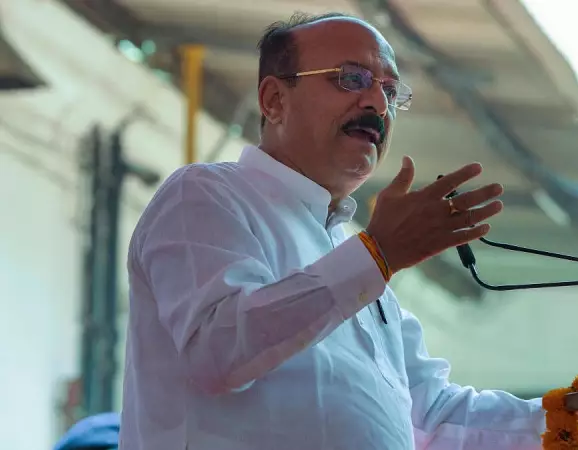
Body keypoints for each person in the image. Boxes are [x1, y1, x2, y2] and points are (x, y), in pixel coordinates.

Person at [119, 11, 545, 450]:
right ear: (274, 100)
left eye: (390, 90)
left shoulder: (357, 265)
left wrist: (575, 416)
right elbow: (217, 352)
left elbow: (433, 416)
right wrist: (377, 255)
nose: (378, 105)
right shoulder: (207, 195)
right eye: (352, 79)